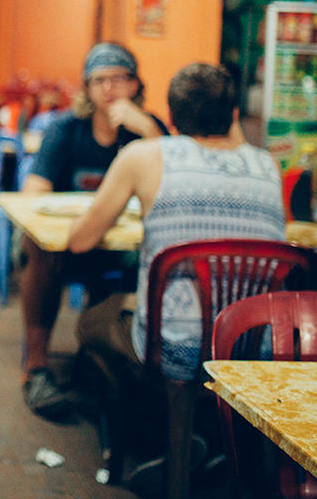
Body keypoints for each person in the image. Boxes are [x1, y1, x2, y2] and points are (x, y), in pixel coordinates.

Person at [68, 63, 285, 488]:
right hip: (250, 348)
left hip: (174, 352)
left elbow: (79, 241)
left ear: (170, 118)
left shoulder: (145, 157)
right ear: (235, 115)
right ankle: (205, 443)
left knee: (93, 321)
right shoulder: (267, 167)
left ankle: (148, 438)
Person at [19, 42, 168, 418]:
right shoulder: (66, 130)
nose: (109, 88)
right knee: (37, 249)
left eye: (119, 78)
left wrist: (148, 130)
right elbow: (34, 191)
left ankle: (126, 372)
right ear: (86, 87)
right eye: (99, 80)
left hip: (126, 246)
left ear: (136, 85)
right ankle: (36, 366)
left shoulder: (151, 132)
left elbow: (175, 188)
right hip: (72, 242)